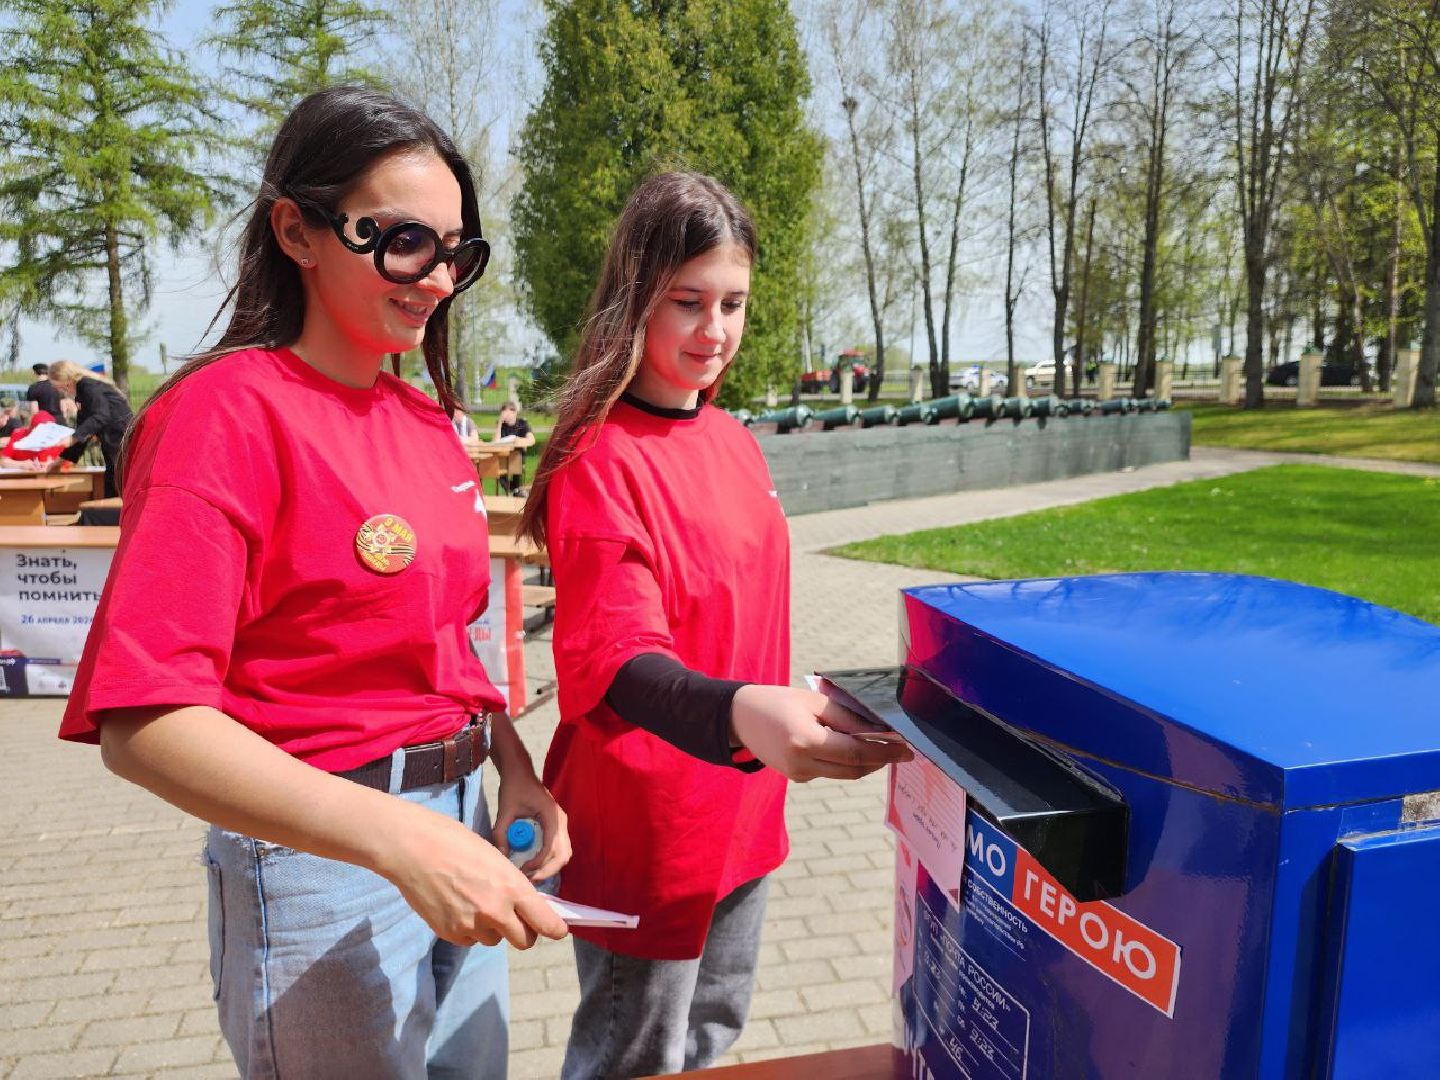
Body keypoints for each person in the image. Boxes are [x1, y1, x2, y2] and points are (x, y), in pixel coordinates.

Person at [58, 86, 570, 1079]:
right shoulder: (224, 417)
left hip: (465, 827)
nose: (437, 281)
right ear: (296, 228)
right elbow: (145, 723)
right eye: (404, 242)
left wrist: (514, 770)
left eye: (457, 252)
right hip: (324, 861)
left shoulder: (426, 426)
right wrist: (396, 841)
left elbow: (452, 646)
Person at [517, 171, 912, 1079]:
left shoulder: (733, 439)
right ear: (635, 300)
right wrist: (747, 715)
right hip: (647, 829)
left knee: (711, 1045)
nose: (715, 330)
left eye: (733, 303)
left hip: (747, 804)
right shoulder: (597, 459)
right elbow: (617, 658)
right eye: (688, 302)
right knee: (634, 1058)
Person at [44, 361, 133, 498]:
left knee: (117, 486)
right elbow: (84, 430)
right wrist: (61, 461)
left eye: (58, 387)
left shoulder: (88, 386)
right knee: (112, 486)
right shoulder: (82, 393)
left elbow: (101, 415)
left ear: (64, 380)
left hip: (120, 441)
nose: (59, 391)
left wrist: (73, 438)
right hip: (113, 445)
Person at [494, 400, 535, 495]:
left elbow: (531, 440)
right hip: (503, 457)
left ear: (515, 412)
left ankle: (516, 490)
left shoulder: (522, 423)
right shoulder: (502, 426)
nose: (506, 416)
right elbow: (496, 442)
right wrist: (500, 423)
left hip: (517, 457)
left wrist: (518, 440)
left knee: (516, 468)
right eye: (504, 414)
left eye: (508, 413)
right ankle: (514, 491)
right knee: (498, 473)